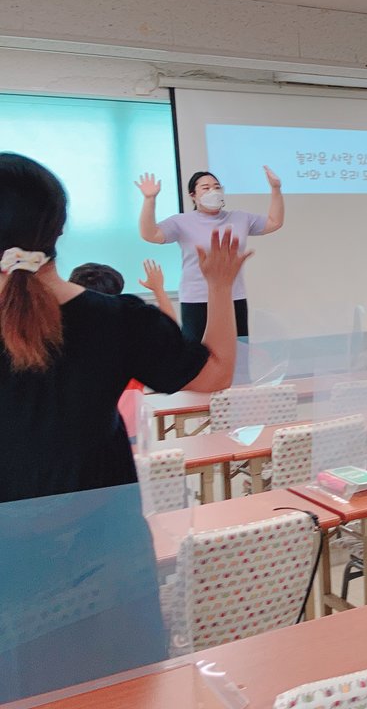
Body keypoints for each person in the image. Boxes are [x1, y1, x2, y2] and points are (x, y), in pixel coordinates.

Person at [0, 153, 247, 701]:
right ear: (58, 229)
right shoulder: (119, 318)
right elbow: (215, 374)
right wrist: (220, 285)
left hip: (9, 570)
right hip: (105, 554)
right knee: (122, 690)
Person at [136, 167, 283, 341]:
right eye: (206, 188)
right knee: (197, 351)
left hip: (233, 296)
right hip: (197, 298)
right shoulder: (181, 222)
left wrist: (276, 188)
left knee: (238, 348)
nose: (213, 191)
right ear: (193, 195)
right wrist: (149, 200)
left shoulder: (240, 218)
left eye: (217, 187)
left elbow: (274, 222)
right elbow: (150, 234)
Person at [67, 260, 179, 440]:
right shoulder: (129, 329)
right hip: (127, 423)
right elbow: (171, 333)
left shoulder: (66, 330)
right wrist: (158, 289)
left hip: (82, 425)